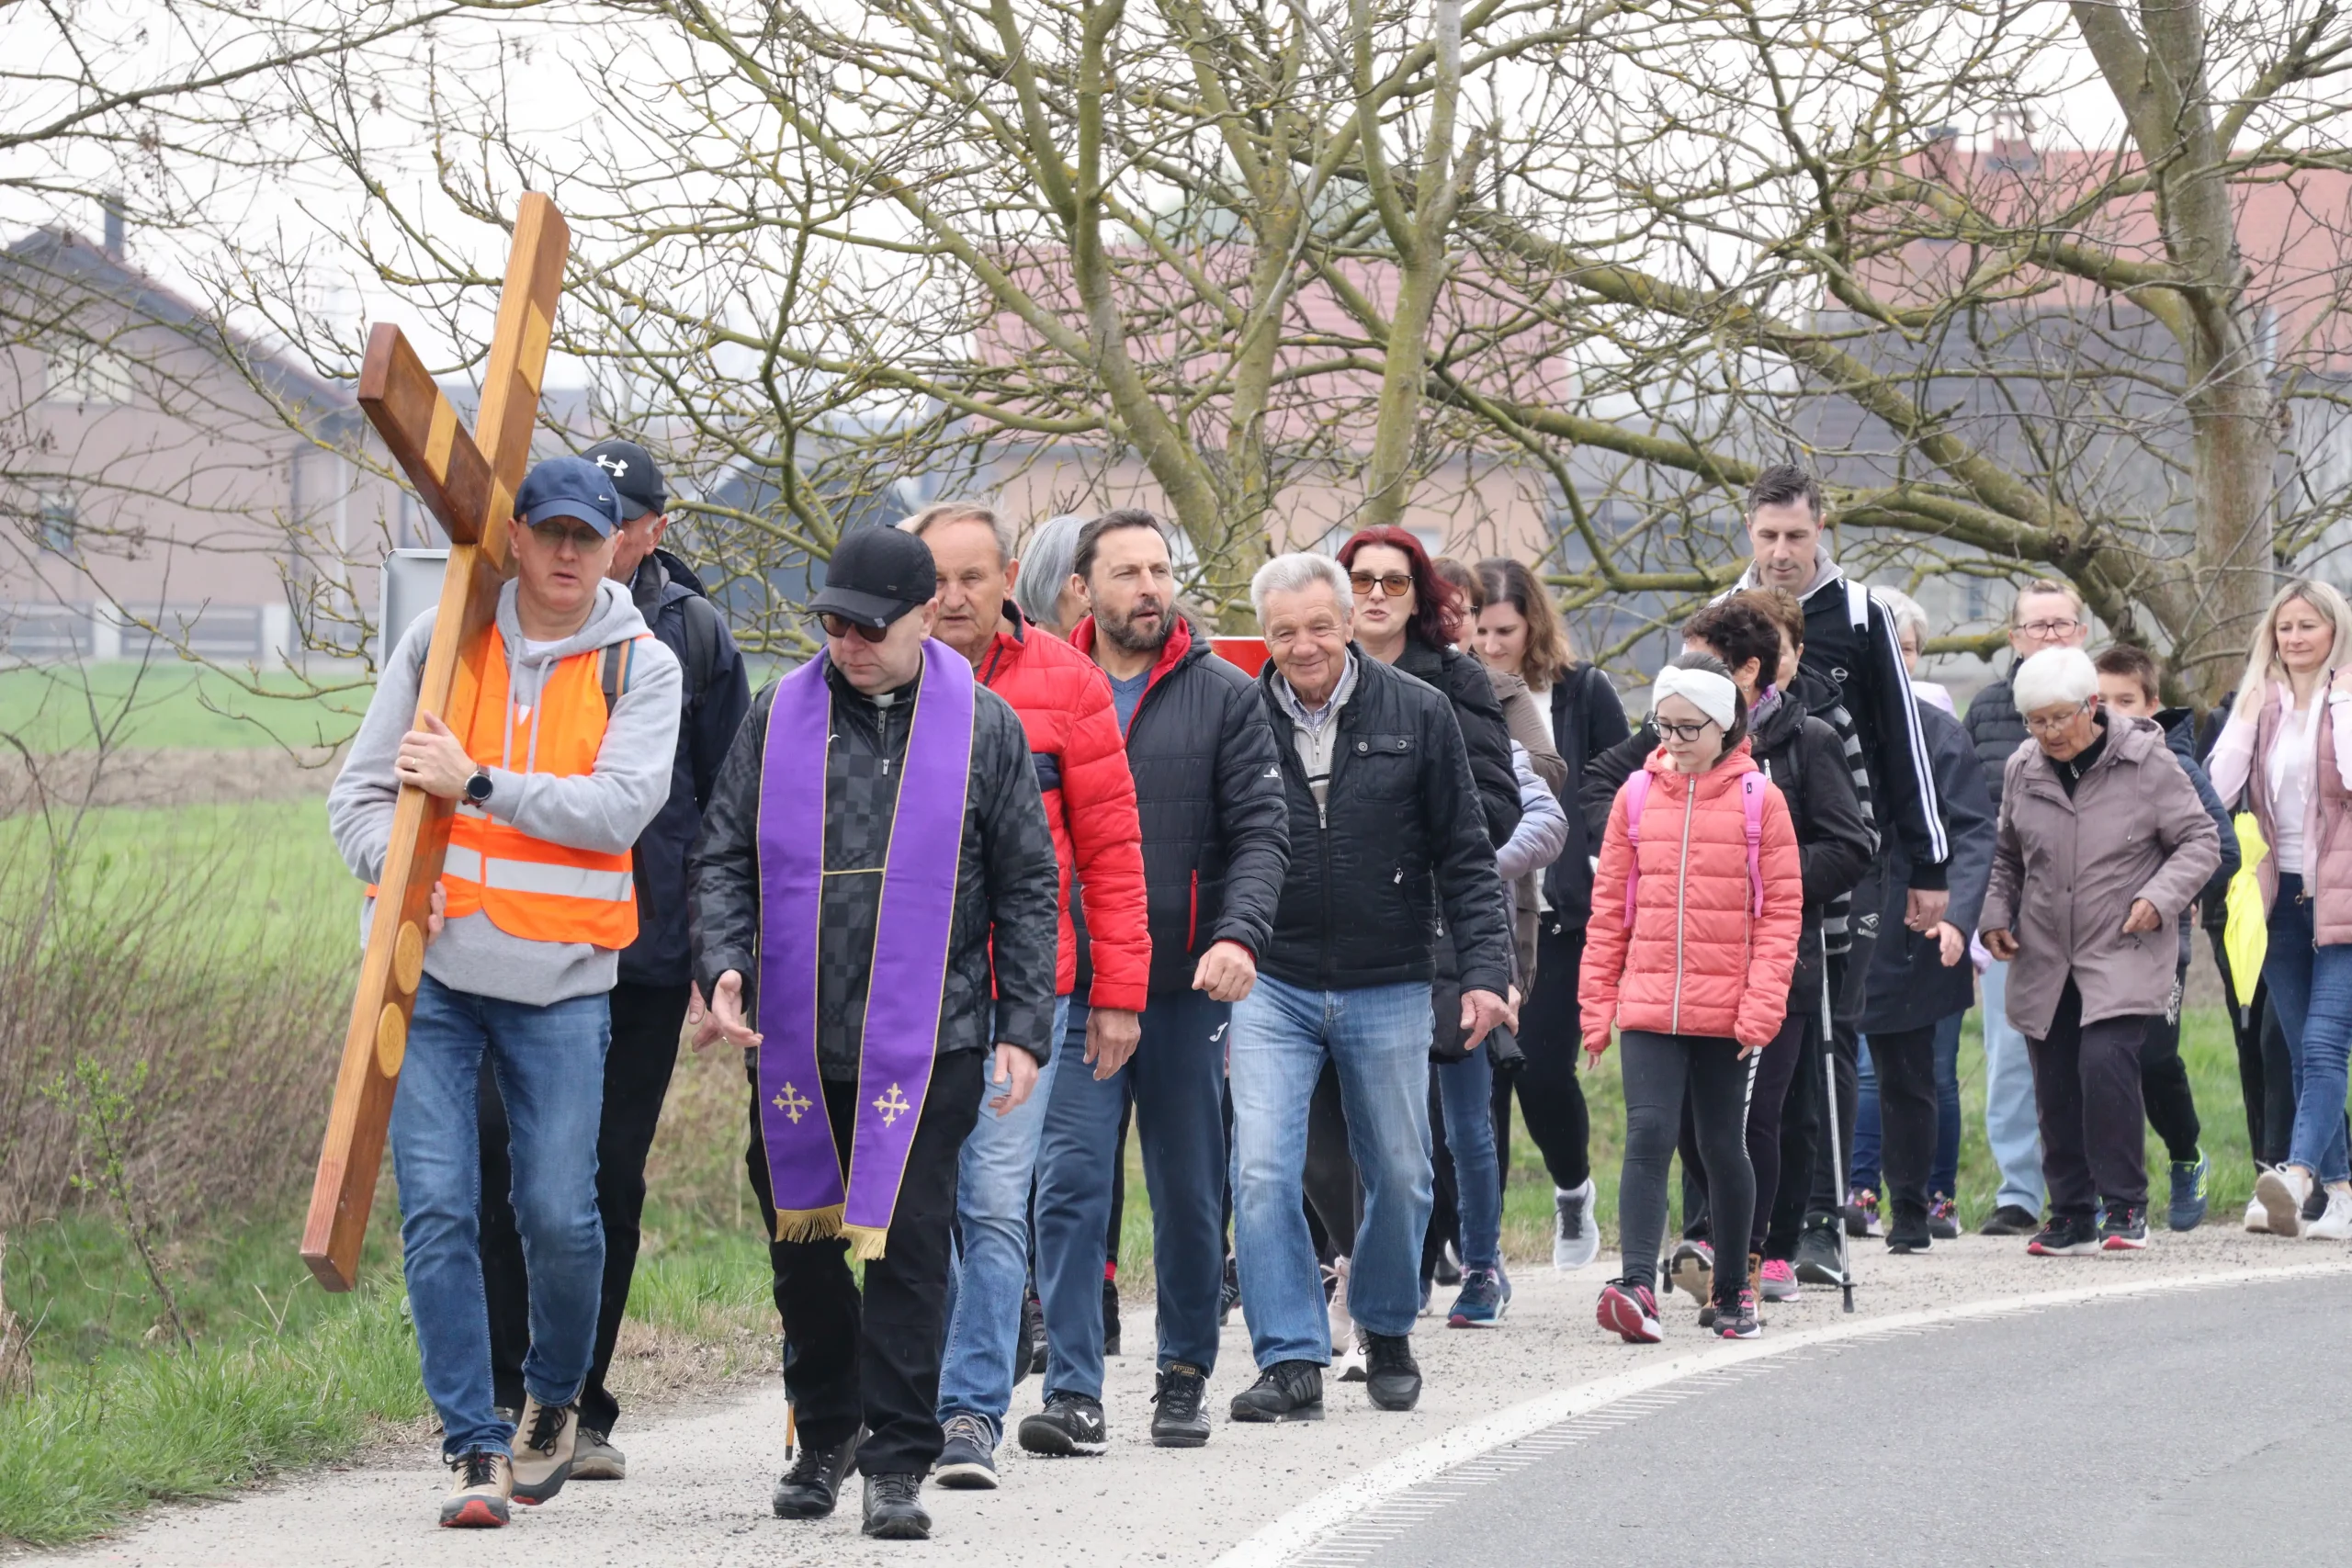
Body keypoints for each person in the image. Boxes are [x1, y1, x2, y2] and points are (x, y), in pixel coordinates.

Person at [327, 454, 684, 1529]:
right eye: (554, 533)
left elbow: (618, 810)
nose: (572, 553)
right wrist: (398, 876)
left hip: (565, 982)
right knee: (437, 1208)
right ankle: (472, 1446)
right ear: (515, 539)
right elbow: (355, 798)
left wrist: (474, 784)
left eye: (593, 534)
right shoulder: (440, 647)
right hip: (430, 978)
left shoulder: (641, 665)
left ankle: (553, 1400)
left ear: (617, 541)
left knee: (558, 1217)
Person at [687, 525, 1059, 1540]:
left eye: (866, 626)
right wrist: (721, 965)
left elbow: (1029, 887)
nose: (845, 643)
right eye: (831, 624)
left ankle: (896, 1460)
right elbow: (721, 857)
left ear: (923, 614)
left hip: (932, 1037)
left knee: (907, 1249)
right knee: (801, 1249)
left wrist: (1023, 1025)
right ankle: (826, 1431)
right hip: (795, 1042)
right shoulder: (778, 716)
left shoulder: (983, 727)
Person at [474, 438, 750, 1482]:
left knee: (603, 1179)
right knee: (503, 1160)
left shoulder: (694, 638)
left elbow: (728, 804)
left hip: (642, 953)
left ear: (651, 532)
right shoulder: (506, 618)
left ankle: (580, 1400)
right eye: (585, 515)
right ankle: (508, 1388)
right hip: (517, 942)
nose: (599, 533)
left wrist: (716, 956)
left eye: (621, 517)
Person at [1020, 509, 1289, 1458]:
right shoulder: (1044, 687)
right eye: (1127, 571)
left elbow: (1262, 832)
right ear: (1080, 587)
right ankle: (1073, 1387)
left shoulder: (1223, 694)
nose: (1148, 587)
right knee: (1071, 1186)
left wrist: (1237, 935)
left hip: (1181, 986)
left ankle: (1183, 1376)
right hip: (1072, 985)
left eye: (1161, 569)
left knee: (1188, 1187)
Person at [1228, 552, 1512, 1421]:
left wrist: (1488, 972)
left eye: (1320, 625)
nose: (1304, 645)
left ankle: (1386, 1327)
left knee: (1401, 1167)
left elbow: (1466, 854)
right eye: (1284, 632)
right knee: (1263, 1168)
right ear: (1265, 637)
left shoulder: (1421, 713)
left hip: (1390, 975)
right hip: (1271, 978)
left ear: (1351, 623)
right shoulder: (1239, 718)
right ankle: (1290, 1356)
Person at [905, 502, 1149, 1473]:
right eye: (935, 580)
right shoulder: (882, 680)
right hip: (901, 995)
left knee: (996, 1202)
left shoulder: (1067, 682)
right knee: (922, 1204)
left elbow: (1112, 849)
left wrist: (1118, 990)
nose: (953, 598)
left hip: (1025, 993)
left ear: (1011, 578)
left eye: (973, 577)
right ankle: (920, 1382)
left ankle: (969, 1413)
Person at [1721, 466, 1946, 1277]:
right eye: (1768, 535)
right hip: (1736, 870)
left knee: (1828, 1031)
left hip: (1848, 855)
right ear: (1749, 530)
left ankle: (1821, 1214)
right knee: (1744, 1036)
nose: (1782, 552)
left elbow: (1902, 739)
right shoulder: (1724, 616)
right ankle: (1732, 1216)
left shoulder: (1863, 615)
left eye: (1797, 536)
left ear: (1823, 530)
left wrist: (1927, 861)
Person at [1615, 596, 1869, 1314]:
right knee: (1676, 1127)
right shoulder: (1663, 754)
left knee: (1757, 1123)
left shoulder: (1809, 741)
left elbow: (1851, 845)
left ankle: (1754, 1257)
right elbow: (1614, 795)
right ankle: (1676, 1261)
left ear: (1744, 678)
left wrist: (1753, 883)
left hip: (1770, 967)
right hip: (1671, 979)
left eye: (1710, 664)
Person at [1585, 654, 1804, 1343]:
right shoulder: (1635, 797)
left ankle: (1734, 1287)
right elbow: (1609, 910)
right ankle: (1638, 1284)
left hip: (1728, 1009)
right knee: (1648, 1133)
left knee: (1719, 1143)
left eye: (1688, 728)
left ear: (1725, 725)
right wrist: (1597, 1004)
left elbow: (1781, 915)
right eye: (1663, 725)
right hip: (1649, 1001)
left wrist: (1762, 1006)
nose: (1672, 741)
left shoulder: (1759, 799)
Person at [1979, 647, 2220, 1255]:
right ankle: (2071, 1211)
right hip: (2045, 946)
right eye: (2037, 721)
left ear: (2092, 706)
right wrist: (1993, 915)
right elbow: (2007, 855)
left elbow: (2200, 839)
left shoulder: (2147, 760)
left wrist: (2159, 897)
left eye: (2061, 717)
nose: (2050, 733)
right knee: (2054, 1078)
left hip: (2124, 941)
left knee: (2105, 1062)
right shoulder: (2022, 768)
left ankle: (2125, 1205)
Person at [1473, 557, 1629, 1269]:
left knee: (1540, 1071)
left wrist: (1594, 861)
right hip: (1488, 910)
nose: (1491, 644)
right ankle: (1484, 1240)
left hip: (1562, 912)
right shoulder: (1461, 688)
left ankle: (1572, 1190)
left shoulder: (1580, 691)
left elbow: (1614, 783)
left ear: (1531, 623)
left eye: (1503, 629)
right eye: (1478, 629)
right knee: (1486, 1080)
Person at [2206, 579, 2352, 1239]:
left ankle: (2295, 1175)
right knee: (2300, 1051)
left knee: (2323, 1043)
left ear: (2335, 632)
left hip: (2342, 895)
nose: (2294, 639)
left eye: (2307, 627)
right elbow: (2220, 784)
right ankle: (2342, 1194)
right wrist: (2248, 706)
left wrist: (2340, 696)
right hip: (2280, 898)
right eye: (2284, 628)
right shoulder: (2262, 705)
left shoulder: (2347, 695)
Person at [1851, 601, 1996, 1254]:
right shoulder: (1825, 729)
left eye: (1902, 651)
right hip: (1839, 917)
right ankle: (1820, 1210)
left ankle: (1910, 1206)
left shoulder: (1939, 733)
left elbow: (1971, 830)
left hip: (1916, 922)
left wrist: (1958, 918)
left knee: (1910, 1075)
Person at [2094, 645, 2239, 1230]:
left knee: (2154, 1058)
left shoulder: (2178, 766)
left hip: (2159, 947)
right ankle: (2116, 1195)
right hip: (2092, 945)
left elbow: (2221, 851)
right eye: (2101, 701)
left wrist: (2162, 898)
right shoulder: (2075, 764)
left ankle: (2186, 1155)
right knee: (2102, 1065)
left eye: (2125, 701)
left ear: (2152, 706)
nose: (2113, 713)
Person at [1963, 579, 2092, 1235]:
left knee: (2095, 1055)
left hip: (2100, 921)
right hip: (2015, 917)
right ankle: (2019, 1190)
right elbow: (1972, 820)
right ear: (2014, 637)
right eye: (2037, 626)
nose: (2051, 635)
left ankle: (2096, 1186)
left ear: (2083, 631)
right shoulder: (1986, 711)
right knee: (2013, 1058)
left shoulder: (2106, 712)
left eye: (2062, 624)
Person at [1012, 513, 1091, 636]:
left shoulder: (1113, 651)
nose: (1090, 592)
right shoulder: (1009, 649)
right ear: (1044, 579)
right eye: (1080, 574)